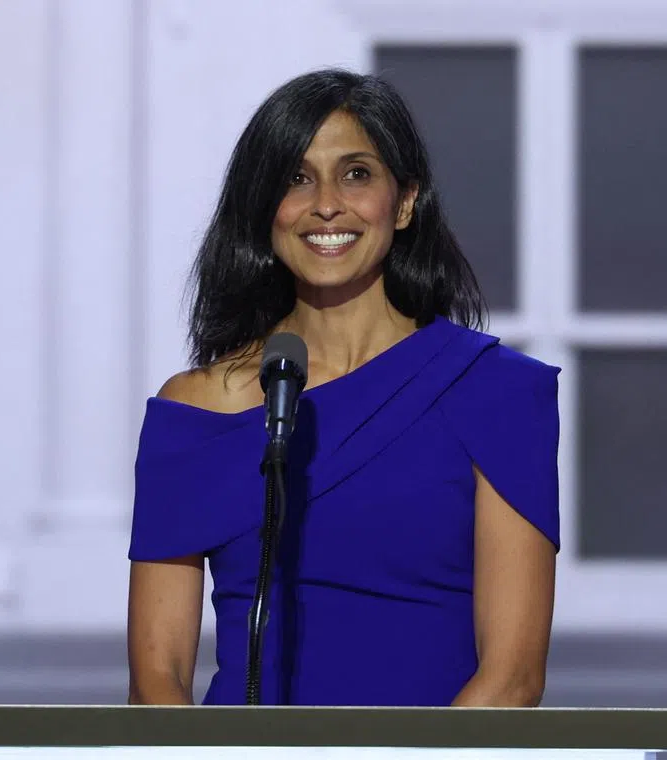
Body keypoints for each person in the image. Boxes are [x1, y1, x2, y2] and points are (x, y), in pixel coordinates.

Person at [126, 68, 559, 707]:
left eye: (356, 173)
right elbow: (156, 677)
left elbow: (512, 680)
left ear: (405, 201)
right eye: (295, 179)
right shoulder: (197, 409)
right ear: (264, 210)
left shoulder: (495, 392)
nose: (326, 203)